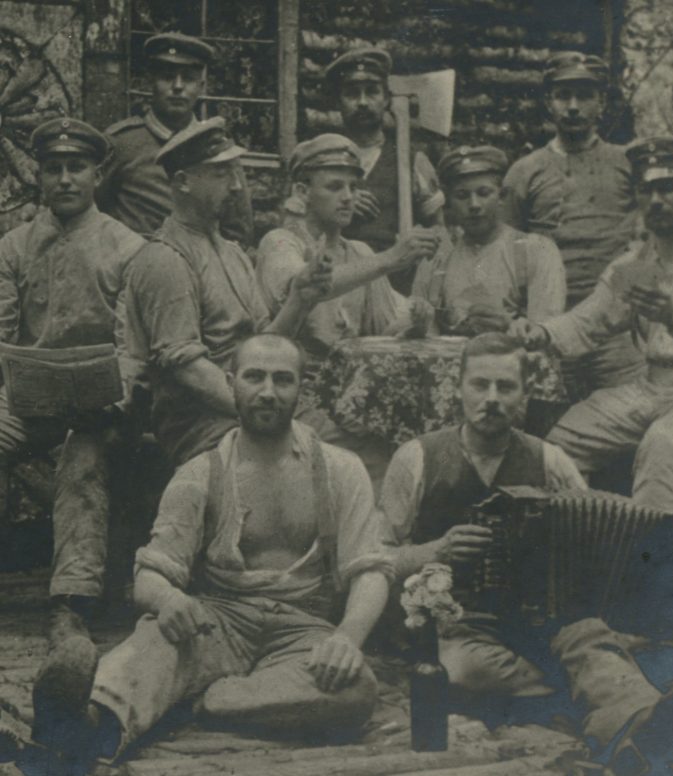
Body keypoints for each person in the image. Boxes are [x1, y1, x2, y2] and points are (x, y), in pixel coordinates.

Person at [26, 333, 394, 773]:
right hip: (216, 624)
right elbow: (150, 576)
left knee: (355, 692)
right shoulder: (199, 473)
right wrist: (169, 600)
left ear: (303, 389)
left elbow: (369, 569)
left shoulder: (340, 468)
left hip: (302, 632)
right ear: (231, 382)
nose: (269, 392)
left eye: (283, 380)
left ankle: (208, 699)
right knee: (155, 641)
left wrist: (347, 638)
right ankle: (86, 724)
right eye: (255, 377)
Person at [381, 332, 673, 775]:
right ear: (458, 386)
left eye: (506, 387)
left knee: (585, 634)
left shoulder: (551, 460)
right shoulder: (417, 458)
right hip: (455, 623)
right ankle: (615, 692)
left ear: (526, 393)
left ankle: (632, 726)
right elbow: (380, 557)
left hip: (545, 618)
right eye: (480, 385)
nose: (492, 399)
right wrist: (435, 549)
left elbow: (604, 540)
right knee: (461, 672)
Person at [513, 137, 673, 509]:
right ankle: (583, 545)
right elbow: (590, 319)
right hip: (653, 388)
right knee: (559, 445)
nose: (656, 201)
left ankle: (659, 560)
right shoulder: (636, 262)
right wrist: (542, 333)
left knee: (664, 443)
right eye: (645, 190)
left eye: (667, 187)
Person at [0, 118, 145, 693]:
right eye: (53, 168)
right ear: (39, 174)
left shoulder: (125, 247)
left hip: (101, 407)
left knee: (85, 459)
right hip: (27, 402)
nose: (64, 179)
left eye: (76, 168)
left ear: (96, 174)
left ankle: (71, 603)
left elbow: (135, 341)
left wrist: (122, 388)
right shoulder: (11, 246)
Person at [125, 117, 329, 467]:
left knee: (357, 443)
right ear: (182, 182)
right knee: (328, 458)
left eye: (235, 173)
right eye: (221, 174)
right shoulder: (166, 259)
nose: (236, 187)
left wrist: (300, 297)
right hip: (201, 426)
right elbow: (188, 371)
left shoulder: (231, 252)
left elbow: (264, 345)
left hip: (249, 406)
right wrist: (268, 408)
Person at [257, 134, 438, 482]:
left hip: (354, 398)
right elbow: (304, 288)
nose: (348, 197)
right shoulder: (281, 244)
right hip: (296, 397)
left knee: (418, 444)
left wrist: (414, 322)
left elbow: (383, 330)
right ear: (302, 192)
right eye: (335, 187)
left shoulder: (360, 253)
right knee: (385, 460)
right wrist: (392, 258)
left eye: (353, 187)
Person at [503, 51, 645, 400]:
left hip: (615, 333)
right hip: (548, 329)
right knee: (550, 432)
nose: (573, 107)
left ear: (602, 103)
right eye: (563, 95)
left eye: (585, 95)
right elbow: (504, 250)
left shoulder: (628, 163)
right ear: (548, 102)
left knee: (632, 419)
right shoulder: (526, 171)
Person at [95, 32, 254, 247]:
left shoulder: (218, 148)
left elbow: (238, 230)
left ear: (201, 85)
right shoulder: (122, 143)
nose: (178, 86)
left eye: (188, 78)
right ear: (150, 82)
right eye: (168, 76)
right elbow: (95, 211)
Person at [321, 46, 445, 295]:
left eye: (372, 92)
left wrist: (420, 245)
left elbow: (440, 228)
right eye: (352, 94)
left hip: (396, 291)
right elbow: (298, 226)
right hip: (337, 289)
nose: (363, 102)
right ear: (338, 102)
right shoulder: (322, 161)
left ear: (387, 99)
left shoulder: (413, 161)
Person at [412, 144, 566, 335]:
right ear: (449, 202)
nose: (474, 205)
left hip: (513, 360)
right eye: (462, 196)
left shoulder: (535, 251)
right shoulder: (436, 260)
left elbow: (547, 332)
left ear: (501, 196)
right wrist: (419, 325)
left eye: (484, 193)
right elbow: (421, 338)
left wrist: (508, 326)